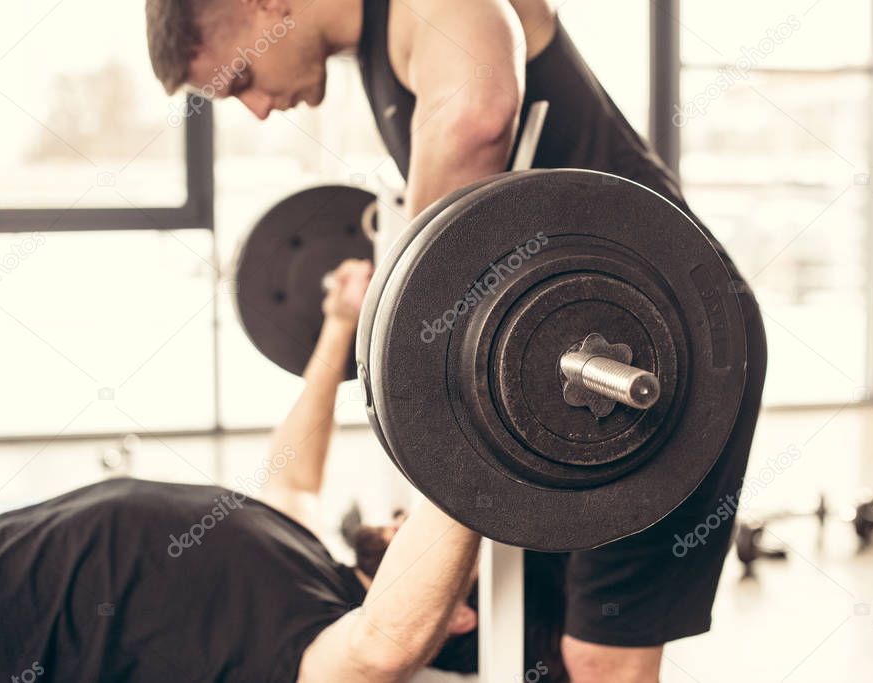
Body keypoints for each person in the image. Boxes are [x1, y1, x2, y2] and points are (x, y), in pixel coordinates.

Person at [145, 1, 768, 680]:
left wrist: (409, 301)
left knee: (601, 658)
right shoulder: (382, 50)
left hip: (670, 345)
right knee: (550, 633)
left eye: (240, 81)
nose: (258, 109)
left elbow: (478, 116)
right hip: (552, 365)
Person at [0, 260, 491, 683]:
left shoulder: (320, 644)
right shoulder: (312, 565)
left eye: (410, 530)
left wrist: (482, 458)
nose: (399, 517)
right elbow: (293, 476)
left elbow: (380, 651)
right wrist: (340, 326)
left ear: (458, 617)